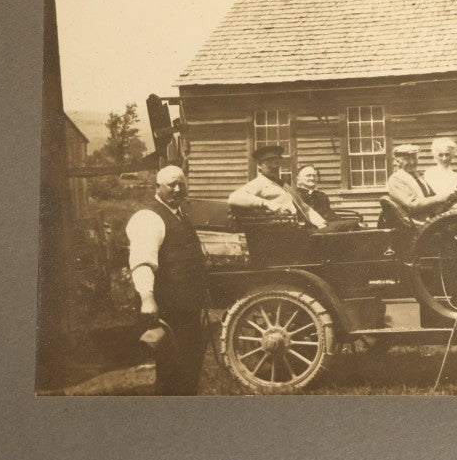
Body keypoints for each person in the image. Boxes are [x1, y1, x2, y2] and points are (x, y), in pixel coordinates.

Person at [126, 165, 211, 395]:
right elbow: (142, 262)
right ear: (157, 187)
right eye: (170, 184)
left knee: (189, 369)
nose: (176, 189)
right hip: (168, 310)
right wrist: (147, 297)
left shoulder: (180, 215)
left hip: (187, 309)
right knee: (172, 370)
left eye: (180, 184)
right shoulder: (149, 217)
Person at [228, 144, 327, 229]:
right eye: (269, 162)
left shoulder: (283, 185)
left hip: (299, 229)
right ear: (259, 165)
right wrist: (266, 203)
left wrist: (321, 224)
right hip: (281, 233)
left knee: (338, 228)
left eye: (276, 162)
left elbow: (305, 208)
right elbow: (234, 197)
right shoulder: (259, 183)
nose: (274, 166)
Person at [385, 143, 457, 221]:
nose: (412, 162)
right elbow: (413, 204)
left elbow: (432, 198)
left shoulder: (418, 177)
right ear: (397, 161)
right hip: (417, 223)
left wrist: (451, 198)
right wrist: (443, 197)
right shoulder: (396, 179)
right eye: (407, 159)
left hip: (430, 219)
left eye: (414, 158)